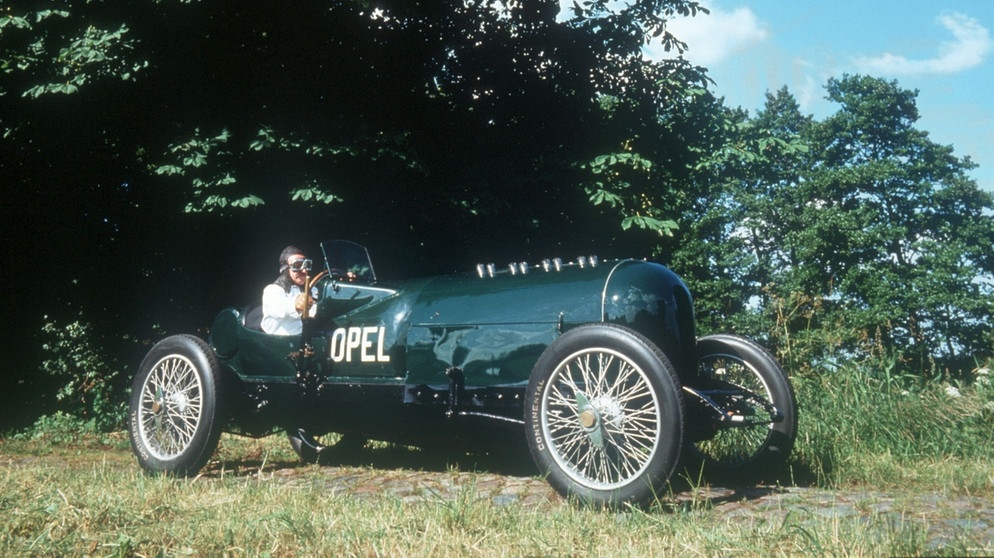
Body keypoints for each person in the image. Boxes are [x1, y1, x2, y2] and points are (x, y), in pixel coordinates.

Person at [261, 245, 318, 335]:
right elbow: (279, 308)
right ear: (286, 269)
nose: (304, 271)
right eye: (297, 265)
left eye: (306, 265)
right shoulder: (272, 290)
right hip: (279, 344)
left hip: (307, 336)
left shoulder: (313, 289)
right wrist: (296, 304)